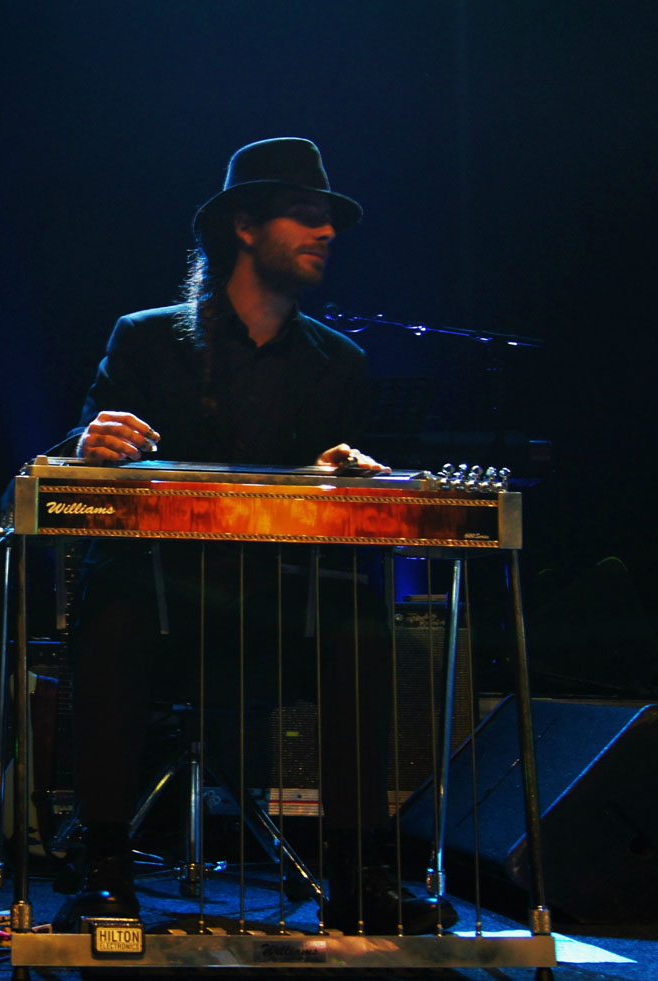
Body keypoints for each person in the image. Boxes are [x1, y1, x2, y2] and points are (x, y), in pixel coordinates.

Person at [55, 137, 456, 935]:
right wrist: (88, 442)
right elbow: (78, 453)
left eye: (328, 219)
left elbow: (334, 497)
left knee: (358, 619)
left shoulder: (339, 362)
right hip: (164, 609)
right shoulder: (146, 338)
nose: (326, 232)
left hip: (278, 614)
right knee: (111, 602)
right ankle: (106, 870)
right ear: (245, 226)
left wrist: (347, 475)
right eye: (305, 215)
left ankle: (359, 874)